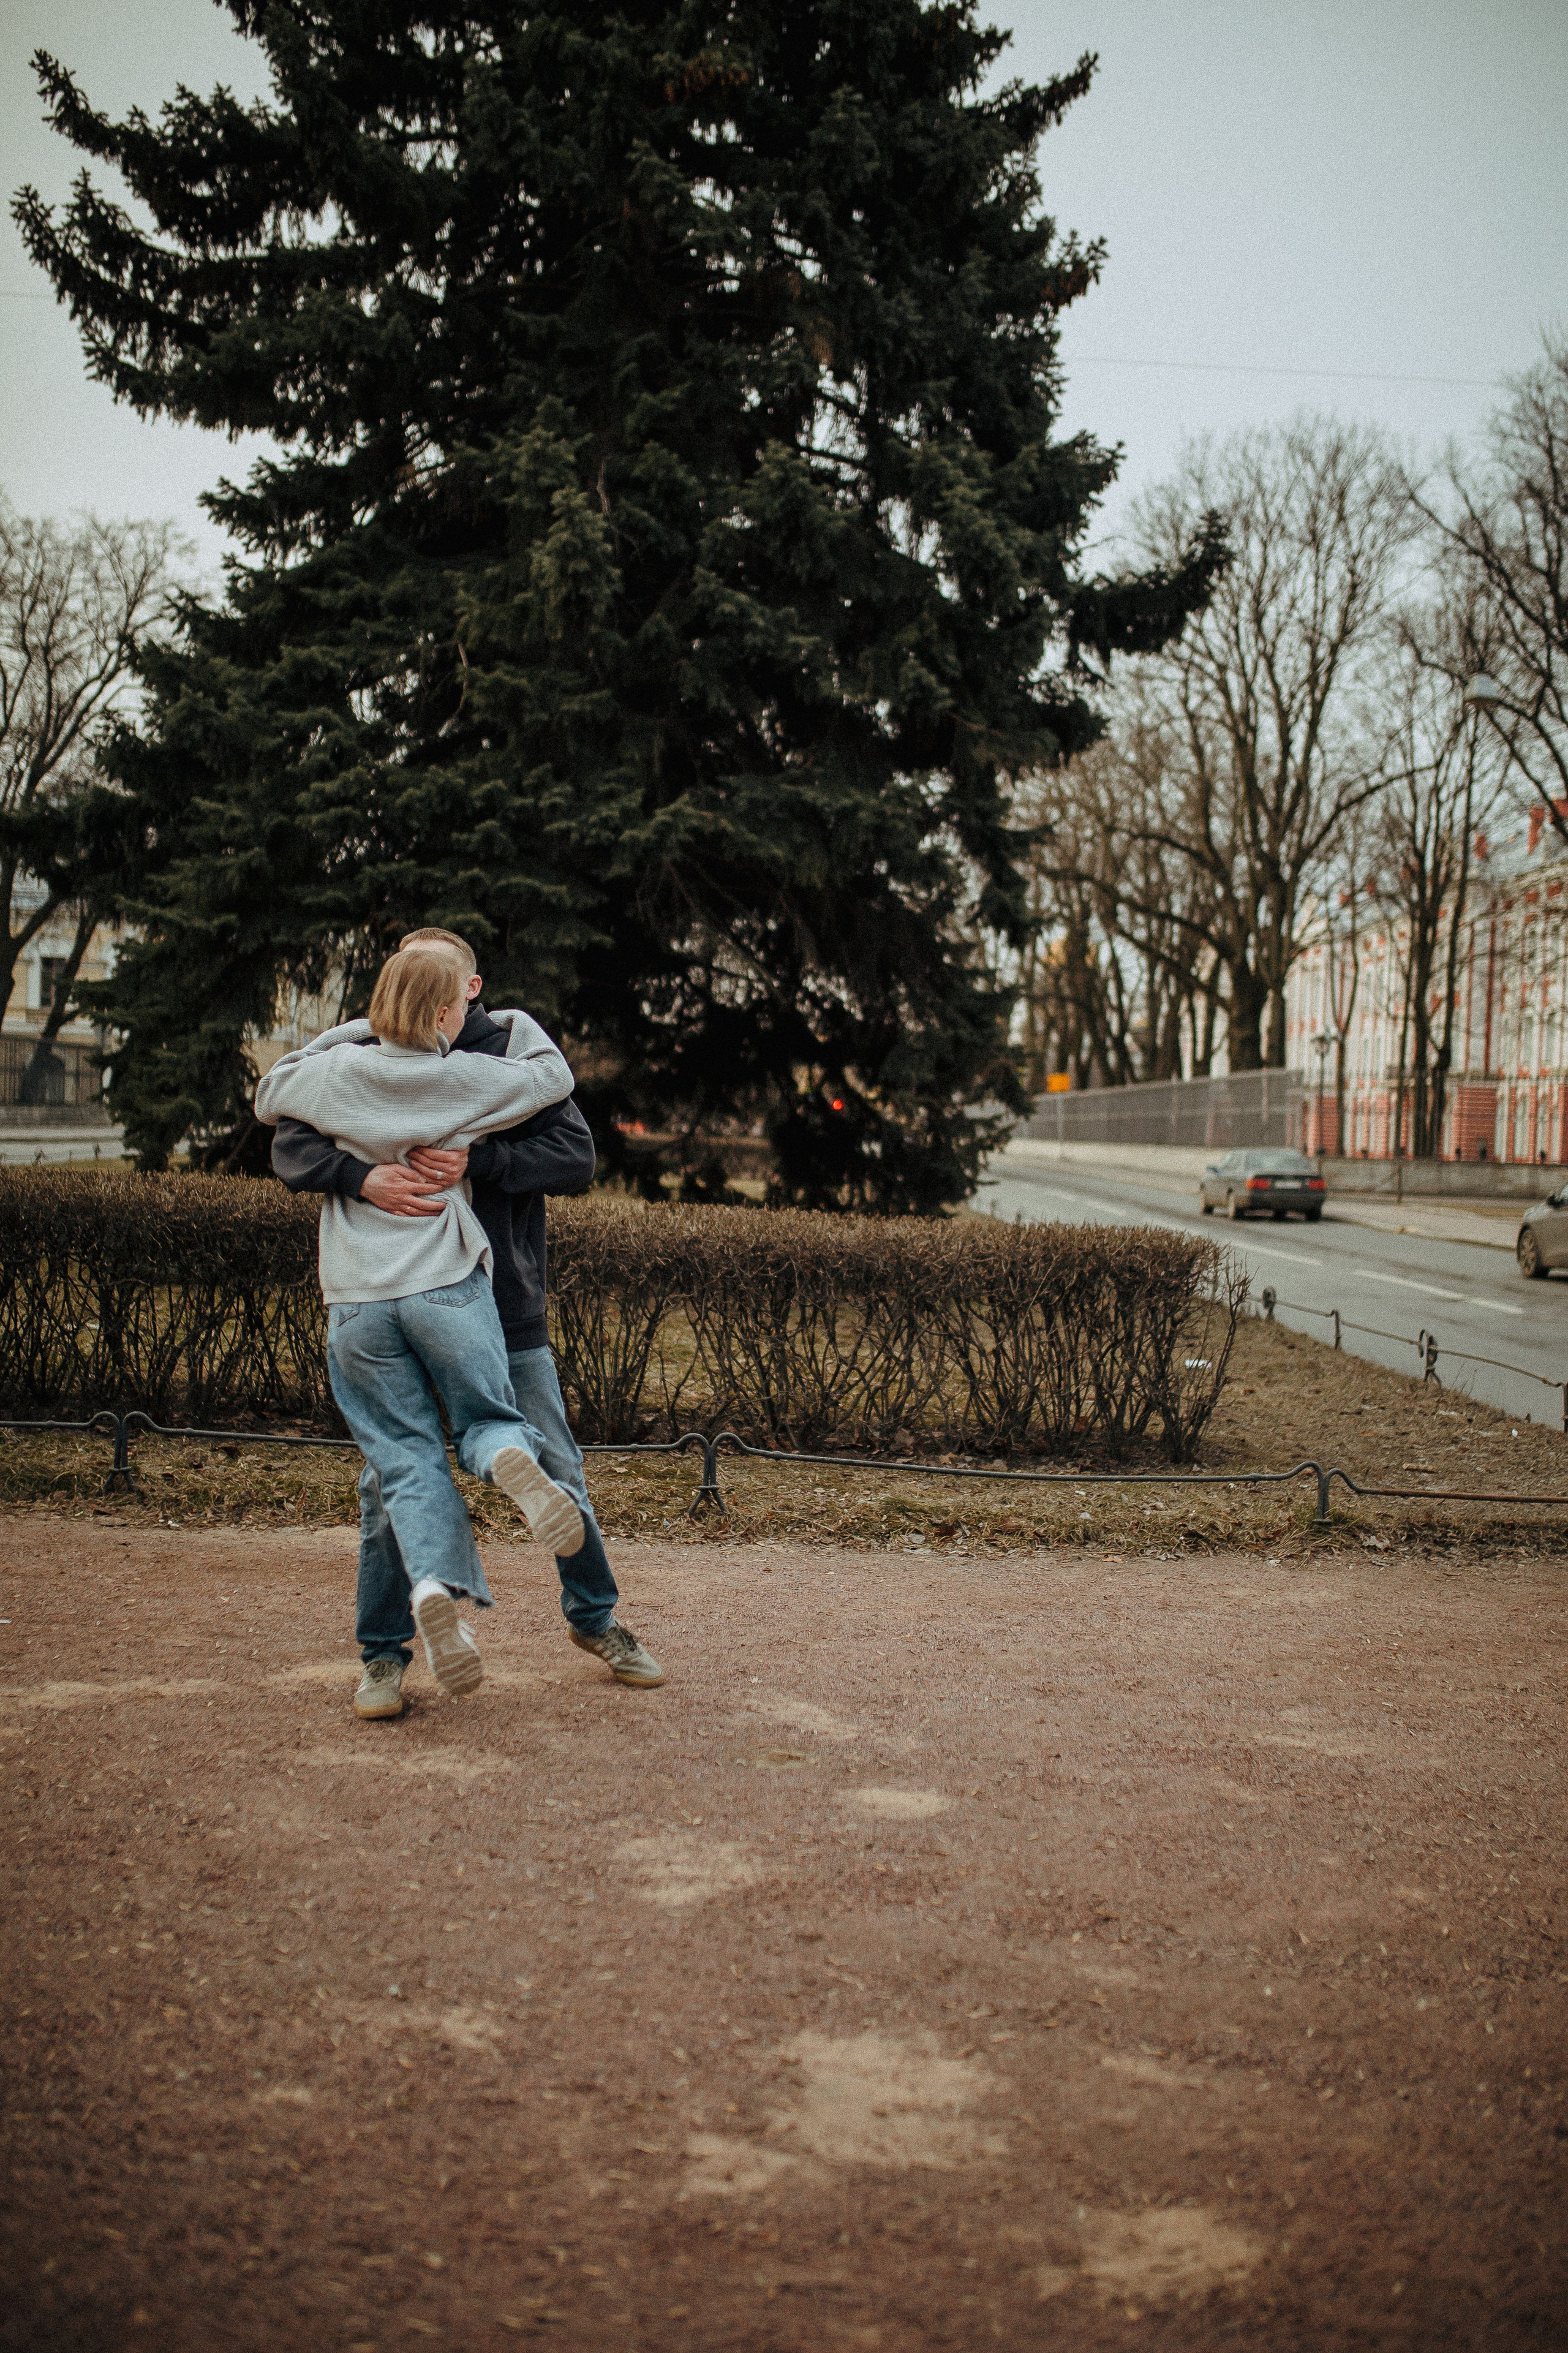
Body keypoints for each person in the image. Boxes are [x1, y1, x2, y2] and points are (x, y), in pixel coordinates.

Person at [270, 927, 662, 1718]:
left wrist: (480, 1162)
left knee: (548, 1469)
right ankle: (384, 1658)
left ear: (470, 987)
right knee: (390, 1489)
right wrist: (361, 1177)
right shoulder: (392, 1052)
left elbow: (577, 1157)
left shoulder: (501, 1050)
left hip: (501, 1300)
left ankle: (596, 1620)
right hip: (437, 1293)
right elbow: (291, 1147)